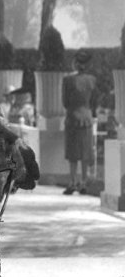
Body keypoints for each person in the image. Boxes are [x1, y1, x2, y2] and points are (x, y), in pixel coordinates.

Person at [62, 50, 98, 195]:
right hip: (87, 118)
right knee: (85, 152)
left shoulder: (68, 80)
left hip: (72, 117)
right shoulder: (92, 80)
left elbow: (65, 102)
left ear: (76, 63)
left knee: (73, 153)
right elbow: (94, 101)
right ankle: (83, 182)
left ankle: (72, 182)